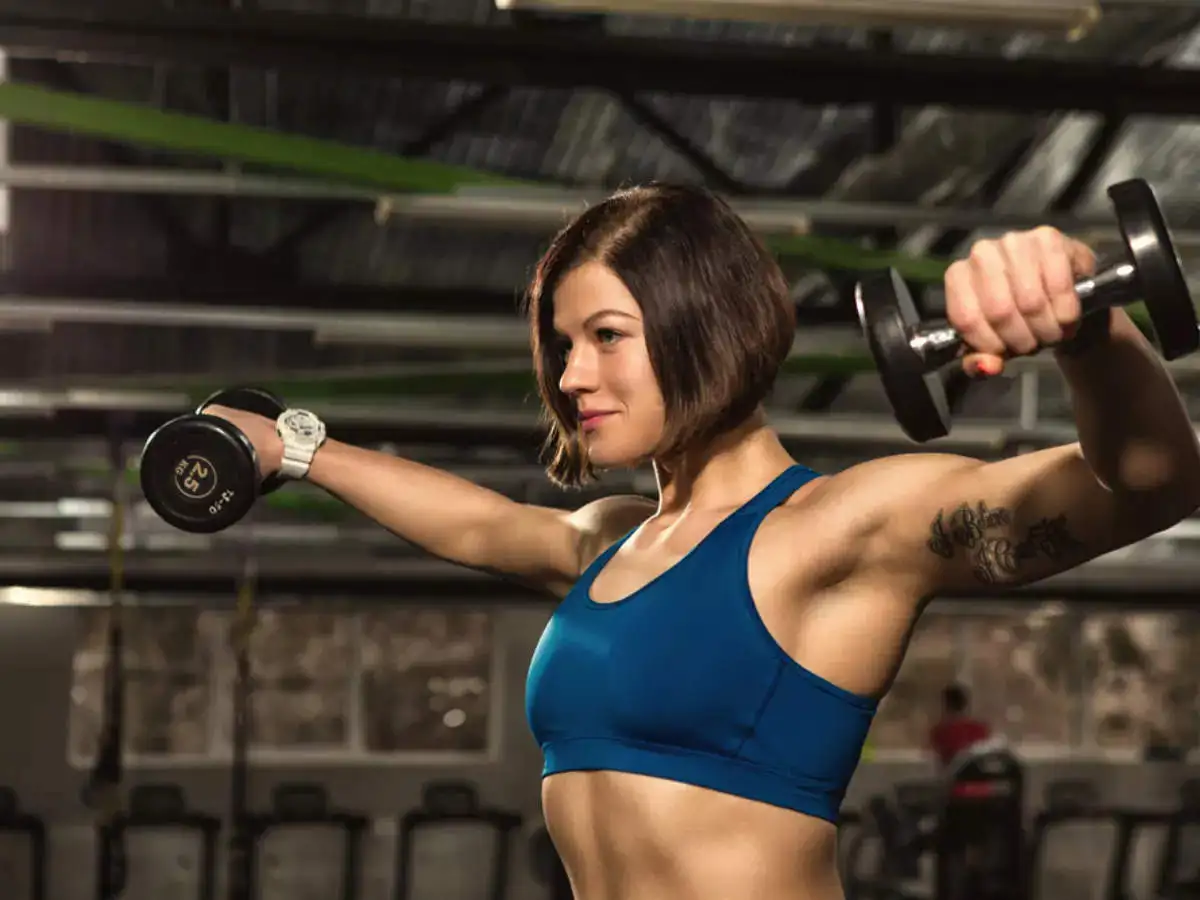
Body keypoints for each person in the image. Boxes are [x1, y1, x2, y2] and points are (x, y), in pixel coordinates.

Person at [205, 183, 1200, 900]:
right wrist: (293, 448)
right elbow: (482, 523)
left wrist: (1087, 330)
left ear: (702, 328)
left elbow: (1148, 487)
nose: (569, 377)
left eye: (604, 336)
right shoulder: (615, 542)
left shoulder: (839, 531)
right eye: (560, 345)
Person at [930, 683, 993, 770]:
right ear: (966, 704)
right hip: (980, 781)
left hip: (954, 781)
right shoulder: (981, 729)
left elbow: (940, 762)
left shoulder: (940, 732)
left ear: (946, 705)